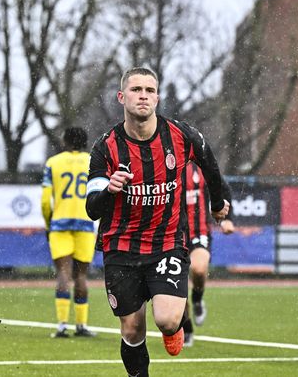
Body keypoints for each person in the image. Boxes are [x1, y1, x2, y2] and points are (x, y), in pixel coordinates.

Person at [86, 67, 229, 377]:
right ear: (122, 97)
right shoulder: (105, 147)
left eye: (150, 90)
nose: (143, 96)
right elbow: (92, 209)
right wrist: (110, 189)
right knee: (133, 328)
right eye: (136, 90)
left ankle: (174, 325)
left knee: (166, 319)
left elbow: (211, 166)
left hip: (167, 243)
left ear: (158, 97)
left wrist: (218, 204)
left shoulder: (182, 136)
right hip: (120, 248)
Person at [41, 127, 97, 338]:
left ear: (65, 141)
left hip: (60, 224)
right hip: (85, 222)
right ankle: (81, 325)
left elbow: (46, 200)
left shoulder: (53, 163)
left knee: (63, 273)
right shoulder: (93, 161)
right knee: (81, 275)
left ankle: (62, 325)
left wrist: (48, 223)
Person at [182, 161, 235, 347]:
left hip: (199, 232)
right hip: (171, 236)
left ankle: (197, 299)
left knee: (198, 269)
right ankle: (186, 328)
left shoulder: (201, 165)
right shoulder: (164, 165)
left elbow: (223, 190)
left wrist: (227, 219)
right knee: (175, 288)